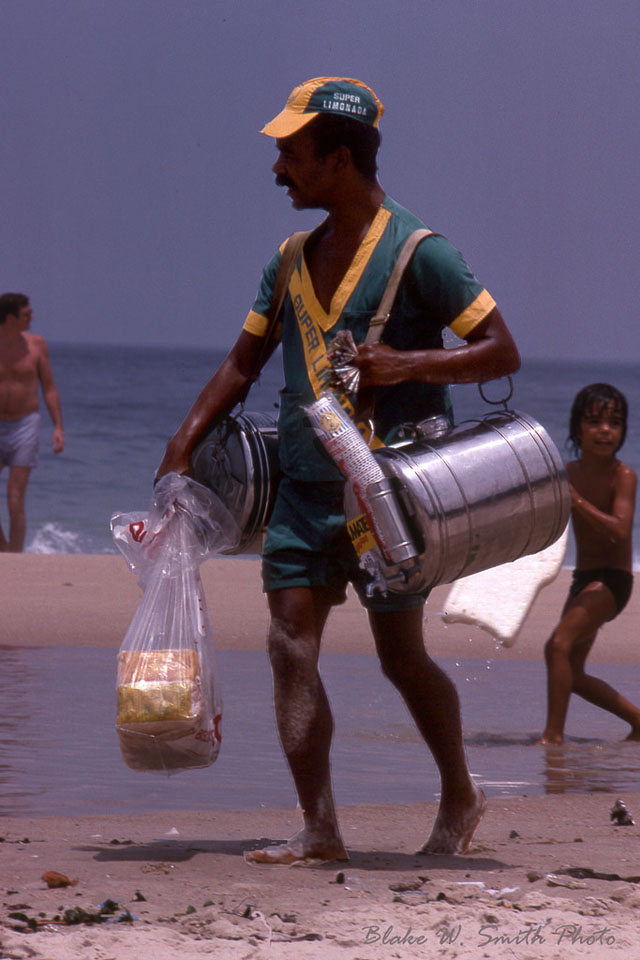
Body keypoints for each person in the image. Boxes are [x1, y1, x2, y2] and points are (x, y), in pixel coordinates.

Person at [157, 77, 520, 862]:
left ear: (339, 158)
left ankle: (460, 791)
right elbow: (243, 361)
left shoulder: (423, 254)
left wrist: (405, 363)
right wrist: (183, 444)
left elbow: (501, 350)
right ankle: (320, 828)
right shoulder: (289, 260)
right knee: (290, 646)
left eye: (292, 153)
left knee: (400, 657)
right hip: (302, 490)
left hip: (390, 501)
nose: (279, 168)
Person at [537, 383, 640, 745]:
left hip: (613, 582)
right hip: (582, 578)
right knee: (572, 672)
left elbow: (620, 529)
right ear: (577, 428)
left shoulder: (622, 475)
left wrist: (575, 501)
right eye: (595, 422)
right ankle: (639, 722)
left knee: (557, 646)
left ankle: (553, 736)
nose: (605, 430)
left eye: (614, 422)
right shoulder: (566, 473)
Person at [0, 293, 64, 552]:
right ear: (10, 318)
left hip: (25, 424)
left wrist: (58, 426)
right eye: (26, 314)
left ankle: (14, 555)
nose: (32, 317)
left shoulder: (36, 345)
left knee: (15, 498)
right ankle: (3, 548)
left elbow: (49, 388)